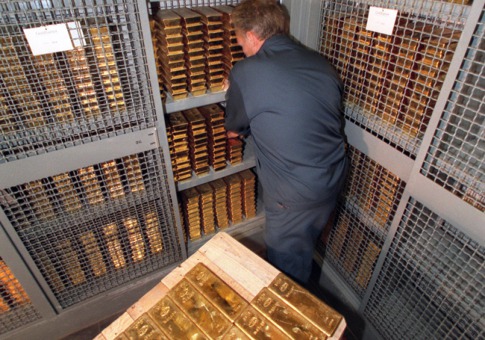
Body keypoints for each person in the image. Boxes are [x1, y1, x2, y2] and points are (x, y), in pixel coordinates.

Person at [224, 0, 348, 284]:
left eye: (240, 39)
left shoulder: (245, 72)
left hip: (293, 197)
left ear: (252, 37)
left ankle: (292, 320)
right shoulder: (321, 63)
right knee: (304, 243)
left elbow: (234, 130)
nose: (241, 46)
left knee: (288, 272)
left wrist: (235, 91)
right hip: (332, 178)